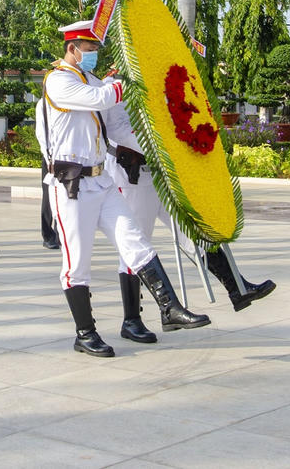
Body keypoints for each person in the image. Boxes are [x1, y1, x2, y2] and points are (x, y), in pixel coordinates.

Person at [38, 20, 208, 358]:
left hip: (102, 180)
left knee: (135, 242)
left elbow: (115, 122)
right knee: (77, 263)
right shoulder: (58, 81)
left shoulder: (91, 80)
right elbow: (100, 98)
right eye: (89, 51)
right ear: (72, 49)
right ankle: (85, 333)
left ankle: (169, 307)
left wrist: (160, 146)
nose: (94, 57)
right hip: (71, 185)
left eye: (97, 51)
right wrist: (129, 79)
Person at [103, 101, 275, 342]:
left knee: (193, 232)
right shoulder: (115, 89)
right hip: (133, 177)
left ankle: (237, 288)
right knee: (135, 247)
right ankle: (132, 320)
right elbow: (117, 129)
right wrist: (163, 144)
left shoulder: (154, 82)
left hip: (163, 175)